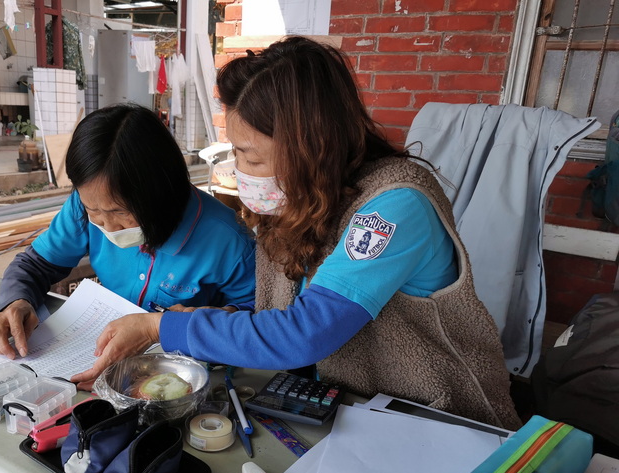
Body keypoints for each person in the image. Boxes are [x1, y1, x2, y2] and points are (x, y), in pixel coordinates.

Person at [74, 37, 523, 433]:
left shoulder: (394, 207)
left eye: (250, 157)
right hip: (343, 412)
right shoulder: (299, 200)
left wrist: (159, 325)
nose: (240, 171)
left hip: (440, 420)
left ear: (311, 146)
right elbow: (274, 315)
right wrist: (217, 318)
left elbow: (303, 333)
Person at [0, 103, 256, 473]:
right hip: (85, 368)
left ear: (162, 192)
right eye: (95, 212)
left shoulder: (226, 240)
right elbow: (35, 263)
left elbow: (256, 325)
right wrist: (16, 302)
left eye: (120, 212)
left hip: (172, 392)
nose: (105, 224)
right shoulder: (86, 208)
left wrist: (172, 325)